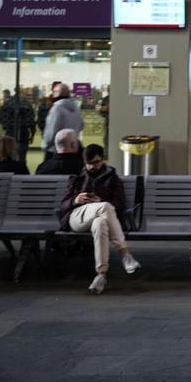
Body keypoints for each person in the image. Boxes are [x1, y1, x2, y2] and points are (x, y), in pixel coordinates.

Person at [60, 144, 140, 294]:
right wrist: (75, 200)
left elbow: (120, 204)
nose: (91, 167)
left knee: (101, 223)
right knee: (105, 207)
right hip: (77, 218)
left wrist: (99, 200)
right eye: (88, 163)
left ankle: (100, 276)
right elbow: (63, 204)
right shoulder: (77, 178)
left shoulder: (113, 179)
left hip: (100, 216)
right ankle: (125, 254)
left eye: (95, 162)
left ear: (103, 159)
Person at [42, 83, 84, 157]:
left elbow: (51, 130)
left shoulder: (56, 108)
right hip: (73, 148)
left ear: (56, 93)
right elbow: (81, 125)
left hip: (56, 149)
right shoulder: (76, 108)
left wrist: (45, 145)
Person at [0, 91, 37, 165]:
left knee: (9, 157)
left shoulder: (7, 103)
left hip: (10, 132)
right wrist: (32, 134)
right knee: (22, 158)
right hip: (23, 133)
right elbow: (31, 120)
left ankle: (10, 173)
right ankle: (21, 173)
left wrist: (6, 126)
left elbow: (0, 118)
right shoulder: (27, 104)